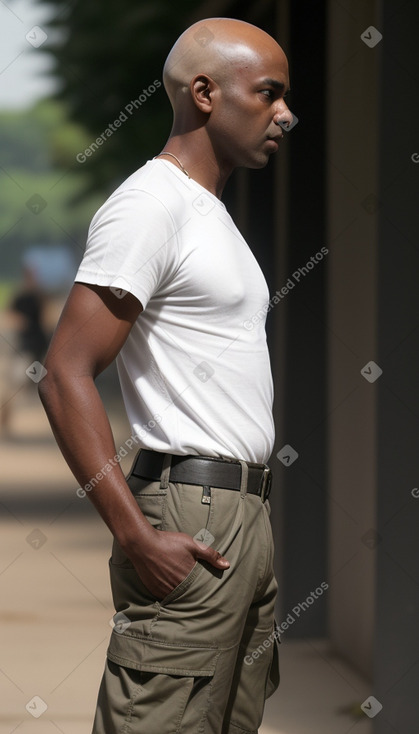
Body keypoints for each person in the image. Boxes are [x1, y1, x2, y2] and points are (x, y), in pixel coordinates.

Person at [39, 16, 292, 734]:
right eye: (269, 94)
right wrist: (134, 536)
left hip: (242, 514)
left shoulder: (207, 213)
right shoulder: (151, 205)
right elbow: (64, 373)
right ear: (205, 92)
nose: (285, 114)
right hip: (191, 512)